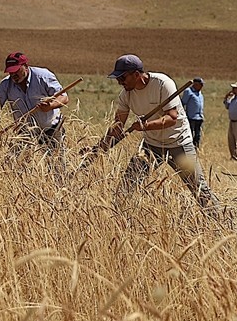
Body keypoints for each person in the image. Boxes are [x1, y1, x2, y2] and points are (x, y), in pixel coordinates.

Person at [90, 54, 216, 207]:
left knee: (199, 190)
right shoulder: (126, 95)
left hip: (178, 142)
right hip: (151, 145)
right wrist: (96, 151)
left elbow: (172, 118)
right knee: (126, 187)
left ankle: (223, 222)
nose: (119, 82)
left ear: (136, 75)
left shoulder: (163, 84)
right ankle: (118, 221)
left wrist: (146, 126)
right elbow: (117, 127)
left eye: (122, 78)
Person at [0, 52, 68, 153]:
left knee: (55, 166)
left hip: (51, 129)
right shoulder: (6, 85)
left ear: (26, 66)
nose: (13, 75)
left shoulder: (43, 76)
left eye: (16, 71)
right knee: (15, 164)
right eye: (10, 72)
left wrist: (50, 106)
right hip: (25, 133)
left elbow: (63, 97)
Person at [180, 77, 206, 150]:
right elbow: (183, 103)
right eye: (200, 84)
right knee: (190, 134)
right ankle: (189, 149)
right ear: (195, 84)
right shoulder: (188, 91)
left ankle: (196, 149)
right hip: (191, 117)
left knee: (197, 135)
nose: (202, 86)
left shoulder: (199, 92)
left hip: (199, 117)